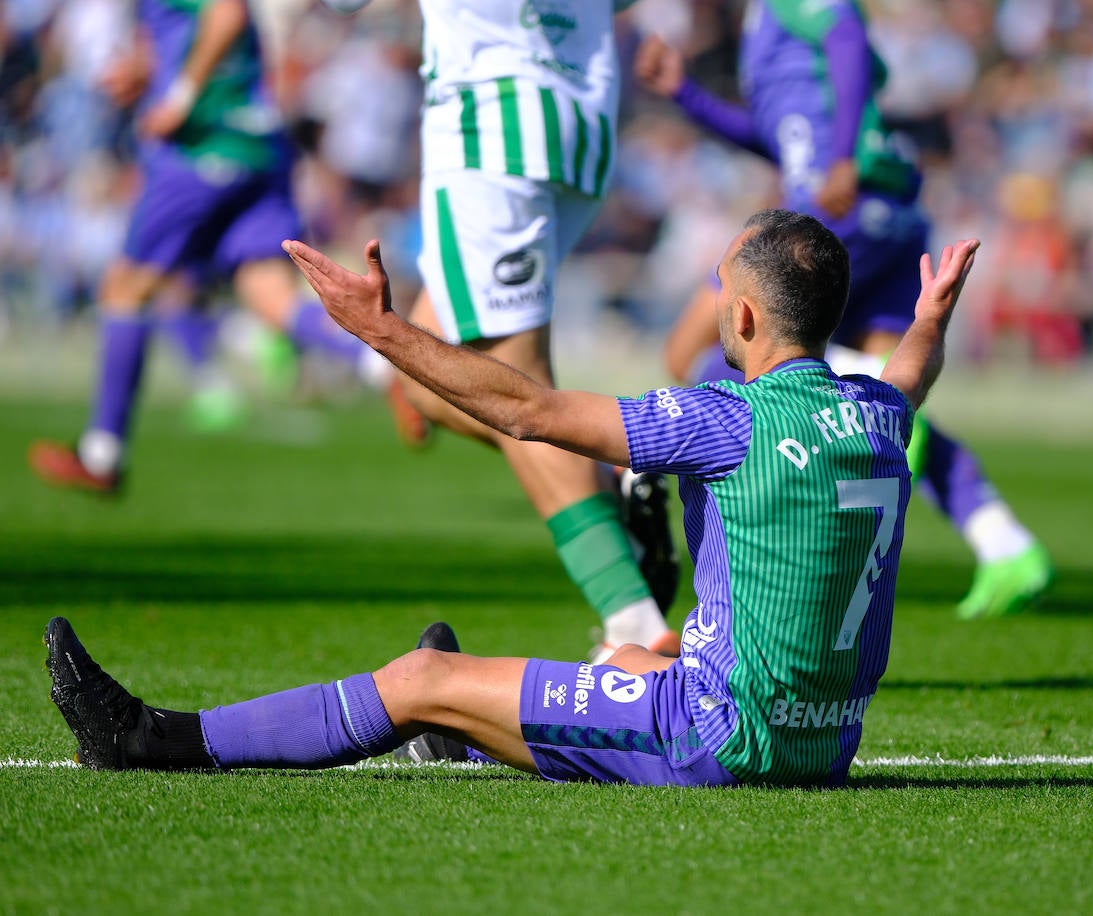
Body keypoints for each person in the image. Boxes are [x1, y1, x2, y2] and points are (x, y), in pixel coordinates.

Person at [44, 209, 978, 787]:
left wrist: (380, 330)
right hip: (823, 742)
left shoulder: (724, 422)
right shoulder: (874, 415)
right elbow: (909, 376)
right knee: (623, 653)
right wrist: (929, 320)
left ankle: (151, 739)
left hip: (721, 739)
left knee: (422, 681)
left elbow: (526, 410)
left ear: (741, 318)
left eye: (717, 286)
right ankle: (466, 736)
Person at [635, 1, 1050, 618]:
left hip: (837, 204)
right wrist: (687, 94)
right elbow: (778, 137)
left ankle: (723, 508)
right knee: (892, 407)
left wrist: (842, 161)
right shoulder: (765, 27)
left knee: (692, 353)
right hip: (886, 210)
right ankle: (1003, 540)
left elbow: (847, 35)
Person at [319, 0, 679, 660]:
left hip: (495, 123)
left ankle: (632, 621)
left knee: (515, 386)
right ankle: (607, 481)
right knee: (430, 379)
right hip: (580, 115)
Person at [27, 0, 425, 495]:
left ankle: (102, 453)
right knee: (269, 296)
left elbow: (226, 13)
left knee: (125, 288)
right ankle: (382, 366)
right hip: (259, 145)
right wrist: (149, 72)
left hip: (202, 148)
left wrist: (179, 95)